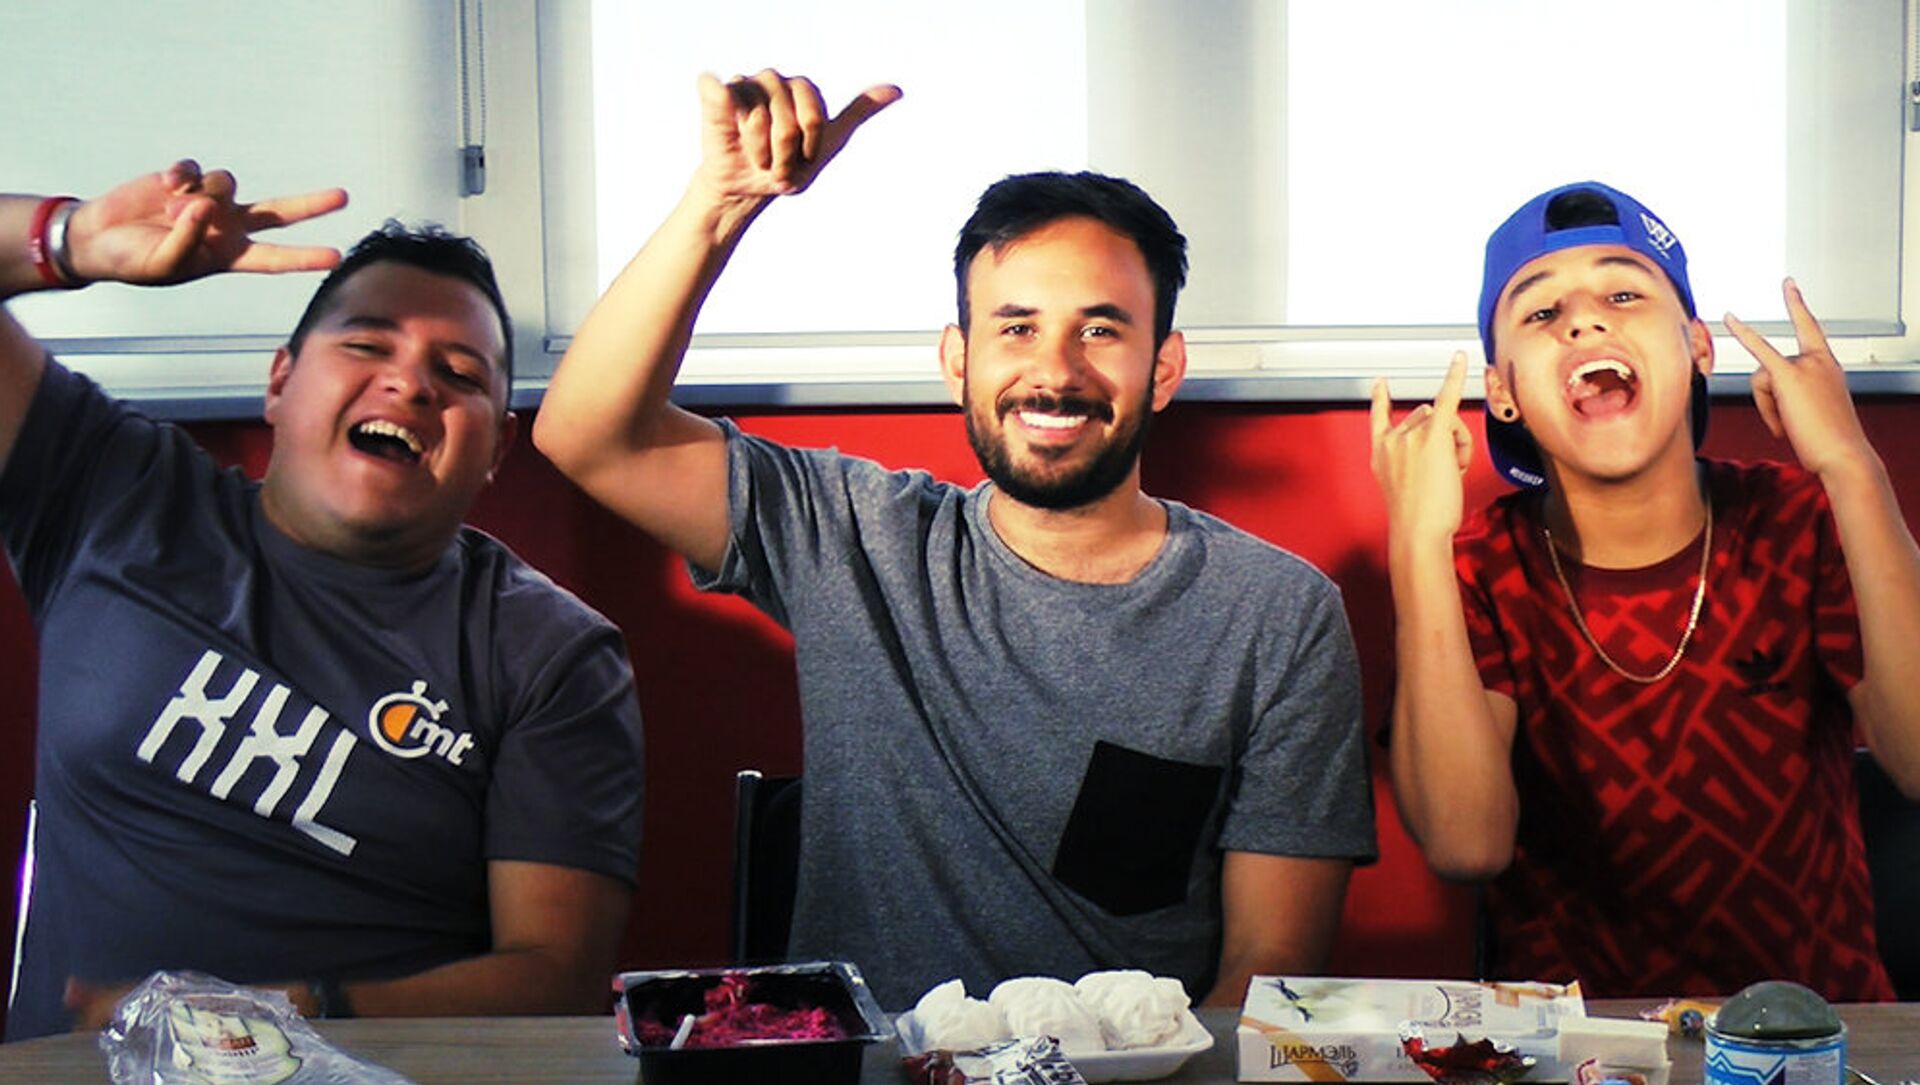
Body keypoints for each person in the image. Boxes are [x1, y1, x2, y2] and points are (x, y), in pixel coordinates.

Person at [533, 69, 1376, 1011]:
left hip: (1126, 1075)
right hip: (866, 1069)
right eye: (1016, 328)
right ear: (958, 360)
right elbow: (586, 433)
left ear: (1164, 367)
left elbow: (1266, 966)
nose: (1054, 372)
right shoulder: (852, 534)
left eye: (1101, 330)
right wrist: (720, 205)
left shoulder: (1277, 612)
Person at [0, 161, 645, 1039]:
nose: (412, 383)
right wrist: (72, 240)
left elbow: (556, 977)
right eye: (368, 346)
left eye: (459, 373)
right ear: (279, 381)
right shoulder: (116, 495)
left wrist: (270, 1019)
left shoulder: (550, 653)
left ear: (496, 450)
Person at [1371, 180, 1920, 1000]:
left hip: (1812, 1033)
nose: (1585, 322)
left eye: (1624, 294)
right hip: (1577, 1043)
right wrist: (1417, 541)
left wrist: (1851, 464)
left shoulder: (1798, 522)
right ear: (1503, 392)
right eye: (1541, 311)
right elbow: (1465, 843)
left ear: (1698, 347)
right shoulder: (1481, 567)